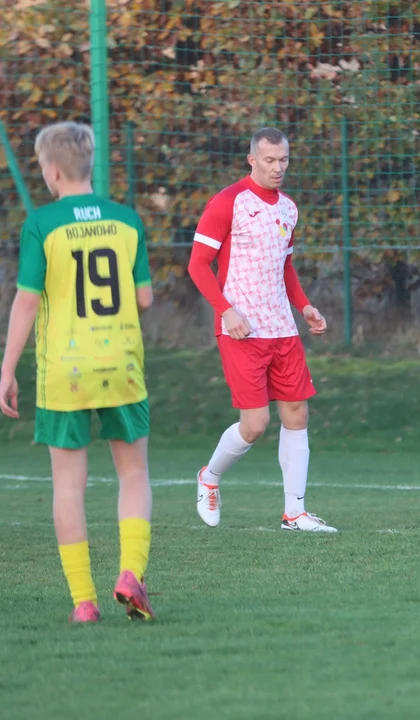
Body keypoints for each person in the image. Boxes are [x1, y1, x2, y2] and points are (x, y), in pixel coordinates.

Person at [0, 122, 156, 622]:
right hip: (121, 366)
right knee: (133, 473)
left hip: (64, 370)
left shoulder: (42, 225)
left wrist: (6, 370)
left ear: (52, 171)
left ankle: (84, 604)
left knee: (68, 485)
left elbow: (26, 305)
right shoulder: (126, 220)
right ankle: (131, 573)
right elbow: (144, 298)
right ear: (90, 166)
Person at [187, 127, 336, 533]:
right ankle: (210, 477)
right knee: (254, 425)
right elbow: (198, 265)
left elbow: (284, 267)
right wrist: (226, 311)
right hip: (241, 330)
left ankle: (295, 513)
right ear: (251, 160)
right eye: (269, 160)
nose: (277, 167)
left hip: (282, 329)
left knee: (297, 413)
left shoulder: (289, 209)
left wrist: (304, 306)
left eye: (283, 159)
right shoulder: (227, 203)